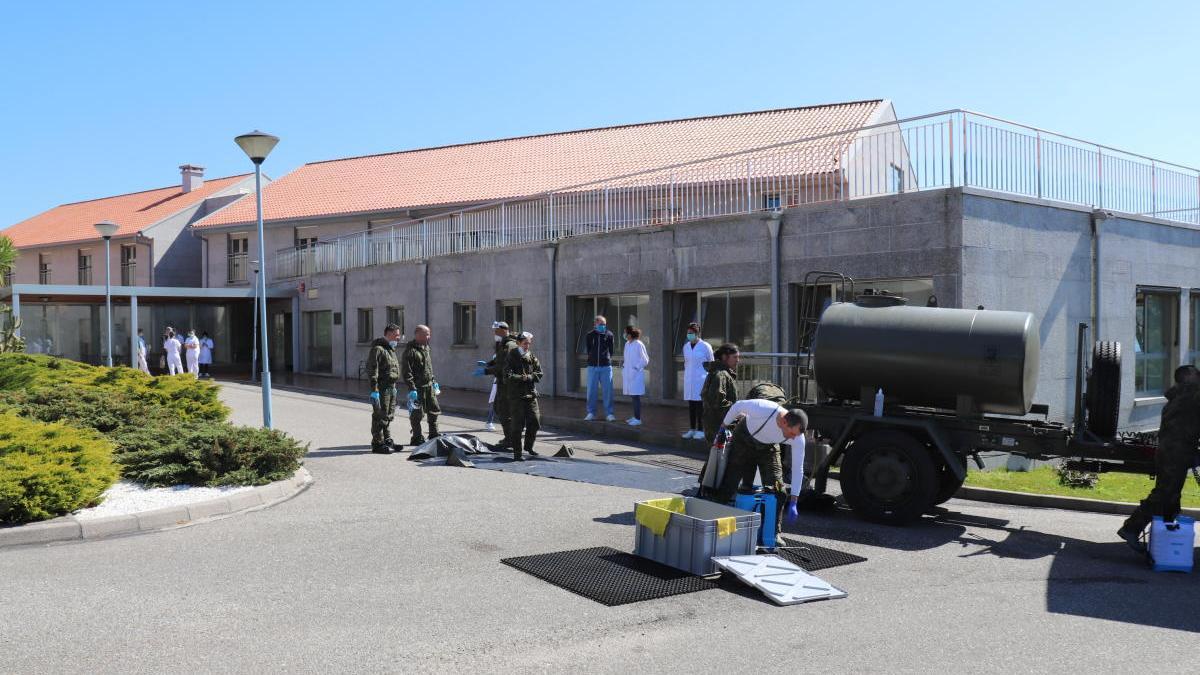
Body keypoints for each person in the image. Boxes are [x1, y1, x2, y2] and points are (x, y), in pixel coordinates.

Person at [1118, 365, 1200, 553]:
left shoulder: (1178, 396)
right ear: (1188, 378)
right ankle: (1131, 528)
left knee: (1170, 495)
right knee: (1165, 493)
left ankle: (1167, 536)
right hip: (1176, 452)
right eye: (1196, 374)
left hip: (1170, 451)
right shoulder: (1191, 396)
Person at [715, 398, 808, 533]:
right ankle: (717, 524)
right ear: (784, 422)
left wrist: (794, 500)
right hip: (744, 437)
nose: (794, 438)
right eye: (792, 434)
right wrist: (723, 427)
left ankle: (773, 533)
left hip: (768, 446)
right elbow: (737, 406)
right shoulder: (763, 408)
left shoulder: (798, 438)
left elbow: (798, 469)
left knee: (778, 490)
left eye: (796, 435)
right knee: (731, 482)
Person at [505, 331, 543, 461]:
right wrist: (523, 378)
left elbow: (539, 372)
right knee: (517, 425)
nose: (527, 346)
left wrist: (531, 376)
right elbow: (507, 375)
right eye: (525, 343)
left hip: (531, 395)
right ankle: (517, 453)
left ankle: (529, 446)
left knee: (535, 421)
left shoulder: (531, 356)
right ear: (519, 343)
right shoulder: (512, 356)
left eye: (529, 343)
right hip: (517, 396)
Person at [367, 323, 403, 454]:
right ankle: (377, 444)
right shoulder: (378, 349)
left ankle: (387, 439)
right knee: (379, 415)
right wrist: (374, 389)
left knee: (388, 415)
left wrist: (394, 386)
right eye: (396, 335)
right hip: (381, 388)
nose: (399, 338)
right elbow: (372, 370)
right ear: (389, 334)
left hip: (391, 387)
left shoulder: (390, 349)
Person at [402, 324, 440, 445]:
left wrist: (434, 382)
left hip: (429, 387)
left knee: (434, 411)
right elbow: (407, 372)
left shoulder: (426, 348)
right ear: (418, 335)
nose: (429, 337)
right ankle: (417, 437)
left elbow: (429, 368)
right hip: (417, 388)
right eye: (427, 334)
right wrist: (412, 388)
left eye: (429, 334)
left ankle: (434, 434)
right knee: (417, 414)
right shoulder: (410, 351)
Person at [483, 321, 519, 449]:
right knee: (501, 409)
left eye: (496, 331)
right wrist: (488, 363)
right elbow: (498, 359)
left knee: (504, 410)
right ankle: (510, 438)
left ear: (504, 330)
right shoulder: (505, 343)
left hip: (507, 384)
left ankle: (511, 439)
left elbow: (503, 365)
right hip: (504, 382)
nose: (495, 334)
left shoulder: (508, 345)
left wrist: (486, 370)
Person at [701, 343, 740, 444]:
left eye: (738, 357)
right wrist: (738, 411)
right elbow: (718, 402)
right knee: (720, 458)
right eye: (735, 357)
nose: (738, 360)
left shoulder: (722, 373)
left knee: (718, 457)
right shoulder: (721, 375)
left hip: (719, 425)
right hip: (719, 426)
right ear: (724, 357)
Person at [681, 322, 714, 439]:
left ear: (697, 333)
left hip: (701, 379)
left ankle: (701, 429)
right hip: (689, 380)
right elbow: (686, 363)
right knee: (691, 406)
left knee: (700, 406)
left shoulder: (705, 346)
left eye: (692, 333)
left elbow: (711, 362)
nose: (689, 335)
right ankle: (692, 429)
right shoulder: (686, 347)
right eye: (688, 333)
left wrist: (709, 379)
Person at [584, 315, 616, 421]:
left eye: (604, 324)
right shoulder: (590, 335)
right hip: (592, 367)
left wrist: (606, 358)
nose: (603, 326)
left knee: (608, 392)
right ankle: (591, 413)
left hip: (606, 367)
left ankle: (609, 414)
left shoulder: (609, 334)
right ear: (595, 324)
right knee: (591, 391)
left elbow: (611, 350)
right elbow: (589, 349)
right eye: (601, 324)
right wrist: (593, 358)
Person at [622, 326, 649, 426]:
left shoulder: (638, 344)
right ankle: (635, 416)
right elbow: (626, 358)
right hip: (628, 374)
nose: (624, 335)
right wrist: (625, 367)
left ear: (630, 334)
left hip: (636, 374)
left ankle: (638, 419)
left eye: (625, 333)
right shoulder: (627, 344)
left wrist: (636, 368)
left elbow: (645, 359)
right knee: (633, 396)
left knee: (636, 397)